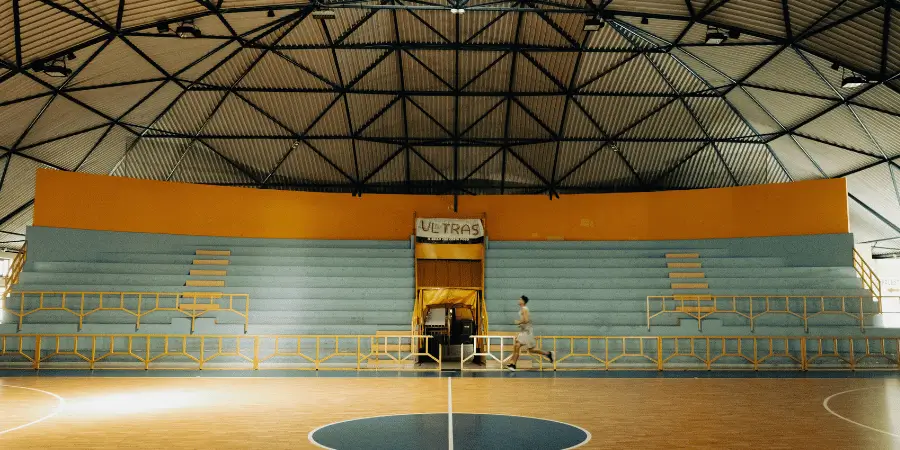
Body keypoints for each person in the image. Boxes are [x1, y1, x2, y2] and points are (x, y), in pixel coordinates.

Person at [506, 295, 554, 372]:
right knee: (531, 349)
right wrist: (521, 324)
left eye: (520, 299)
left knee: (517, 345)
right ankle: (548, 353)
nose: (518, 300)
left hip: (527, 332)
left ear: (523, 301)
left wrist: (519, 322)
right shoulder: (523, 309)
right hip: (525, 331)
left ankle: (513, 364)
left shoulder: (524, 309)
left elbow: (526, 320)